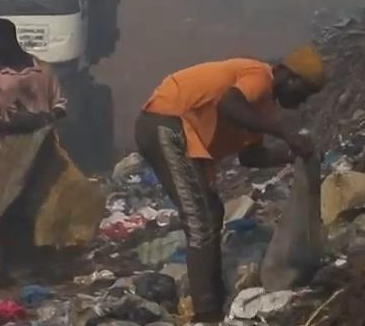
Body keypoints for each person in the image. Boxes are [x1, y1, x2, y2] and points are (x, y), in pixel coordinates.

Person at [134, 46, 326, 323]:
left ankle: (213, 298)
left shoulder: (261, 107)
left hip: (178, 132)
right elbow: (228, 105)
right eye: (303, 92)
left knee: (212, 212)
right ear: (288, 76)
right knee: (200, 220)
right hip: (166, 123)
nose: (302, 101)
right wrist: (284, 131)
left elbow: (251, 156)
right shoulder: (259, 76)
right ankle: (207, 314)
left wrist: (294, 155)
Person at [0, 18, 68, 285]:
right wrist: (24, 124)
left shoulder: (44, 71)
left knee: (42, 205)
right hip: (6, 152)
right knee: (6, 209)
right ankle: (6, 265)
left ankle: (43, 263)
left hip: (43, 149)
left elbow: (61, 105)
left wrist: (44, 118)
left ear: (11, 40)